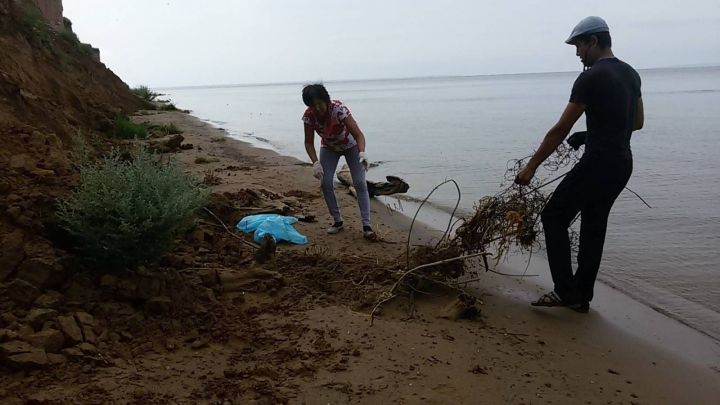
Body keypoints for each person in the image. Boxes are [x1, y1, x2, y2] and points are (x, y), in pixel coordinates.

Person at [514, 16, 644, 312]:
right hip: (622, 164)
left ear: (593, 41)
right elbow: (636, 122)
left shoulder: (591, 77)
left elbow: (559, 129)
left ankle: (565, 291)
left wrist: (531, 166)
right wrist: (589, 134)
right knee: (594, 226)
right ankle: (582, 295)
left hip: (597, 165)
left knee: (553, 217)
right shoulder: (631, 74)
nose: (577, 54)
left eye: (578, 46)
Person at [301, 84, 376, 240]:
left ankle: (367, 225)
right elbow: (308, 142)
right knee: (325, 182)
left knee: (360, 183)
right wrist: (315, 163)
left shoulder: (338, 109)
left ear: (326, 100)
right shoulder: (309, 116)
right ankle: (337, 221)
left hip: (351, 146)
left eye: (320, 104)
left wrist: (362, 153)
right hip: (329, 147)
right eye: (313, 106)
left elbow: (359, 134)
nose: (317, 108)